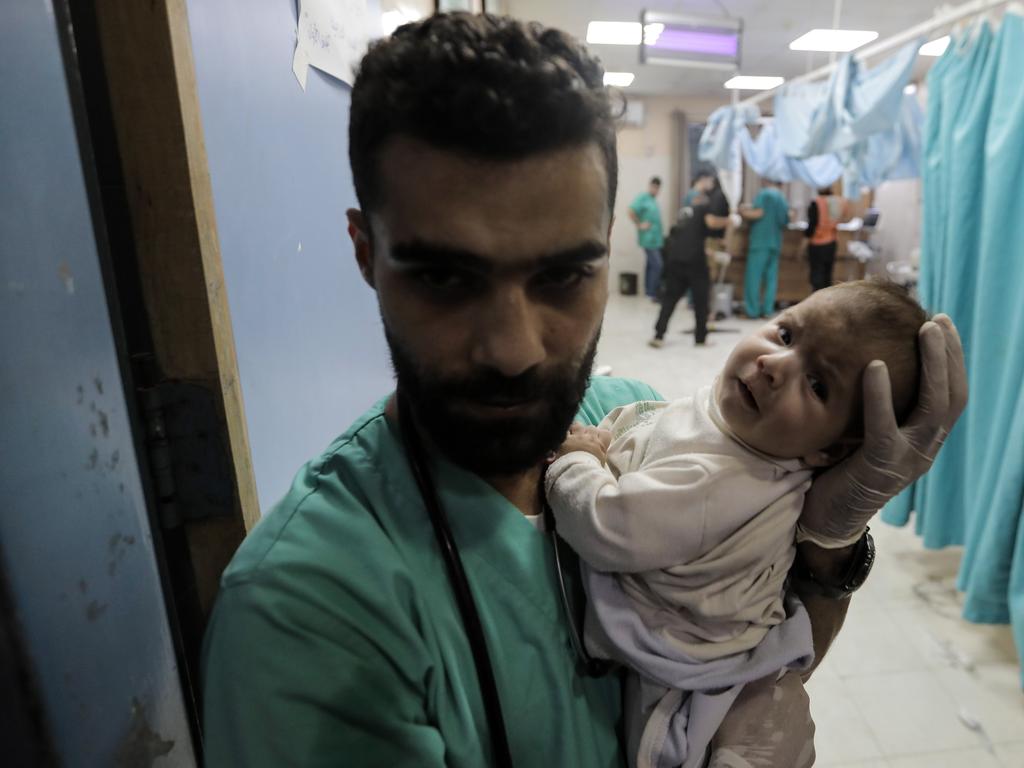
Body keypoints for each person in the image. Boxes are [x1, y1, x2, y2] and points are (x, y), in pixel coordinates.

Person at [201, 13, 968, 768]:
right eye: (444, 277)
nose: (512, 348)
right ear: (367, 253)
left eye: (564, 276)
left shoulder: (628, 416)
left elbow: (743, 650)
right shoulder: (306, 615)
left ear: (608, 254)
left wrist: (829, 543)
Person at [548, 281, 926, 767]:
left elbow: (607, 526)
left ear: (828, 452)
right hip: (738, 635)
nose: (774, 366)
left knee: (659, 748)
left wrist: (575, 463)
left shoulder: (725, 482)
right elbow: (655, 432)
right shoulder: (741, 435)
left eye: (817, 385)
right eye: (786, 335)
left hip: (681, 663)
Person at [649, 200, 730, 348]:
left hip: (675, 258)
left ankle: (658, 336)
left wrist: (712, 253)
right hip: (694, 262)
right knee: (701, 300)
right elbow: (712, 223)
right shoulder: (706, 207)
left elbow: (689, 239)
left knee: (670, 299)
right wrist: (730, 220)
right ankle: (700, 338)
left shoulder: (686, 212)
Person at [740, 179, 790, 318]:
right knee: (771, 278)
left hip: (760, 242)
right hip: (775, 242)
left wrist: (742, 212)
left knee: (754, 278)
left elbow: (758, 213)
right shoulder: (781, 198)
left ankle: (752, 311)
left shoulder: (764, 194)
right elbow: (785, 220)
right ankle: (767, 310)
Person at [805, 186, 849, 292]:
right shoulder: (840, 202)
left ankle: (817, 304)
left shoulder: (816, 203)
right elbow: (845, 218)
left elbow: (812, 226)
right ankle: (827, 303)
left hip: (817, 243)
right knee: (827, 275)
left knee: (817, 276)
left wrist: (805, 238)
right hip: (832, 243)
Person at [629, 176, 665, 300]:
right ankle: (653, 292)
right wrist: (639, 225)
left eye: (658, 188)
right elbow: (630, 210)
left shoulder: (653, 200)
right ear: (650, 186)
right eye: (654, 187)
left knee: (650, 265)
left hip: (656, 239)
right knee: (658, 265)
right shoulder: (643, 198)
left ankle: (648, 291)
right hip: (648, 239)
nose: (656, 190)